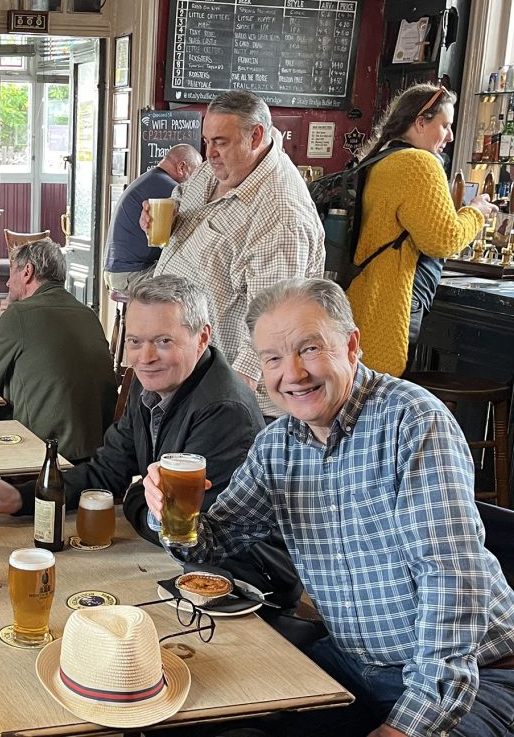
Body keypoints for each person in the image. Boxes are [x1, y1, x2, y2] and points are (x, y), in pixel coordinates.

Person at [141, 278, 514, 737]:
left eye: (310, 349)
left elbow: (448, 583)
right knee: (205, 715)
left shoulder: (412, 421)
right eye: (273, 358)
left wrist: (408, 725)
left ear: (351, 345)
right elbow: (214, 544)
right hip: (354, 664)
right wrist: (172, 515)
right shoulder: (277, 446)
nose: (292, 374)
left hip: (473, 675)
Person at [0, 274, 264, 547]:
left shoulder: (224, 411)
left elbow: (183, 531)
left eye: (163, 341)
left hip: (238, 585)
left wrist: (135, 495)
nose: (145, 358)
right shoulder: (149, 383)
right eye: (135, 342)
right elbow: (107, 471)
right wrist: (20, 498)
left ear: (202, 338)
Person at [143, 90, 324, 417]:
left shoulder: (280, 215)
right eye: (206, 141)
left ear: (255, 136)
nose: (209, 153)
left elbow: (272, 321)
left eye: (220, 142)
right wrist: (163, 220)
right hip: (189, 375)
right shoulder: (219, 166)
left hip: (230, 394)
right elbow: (183, 198)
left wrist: (231, 404)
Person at [347, 83, 498, 376]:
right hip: (390, 302)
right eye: (445, 126)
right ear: (420, 122)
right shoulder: (418, 163)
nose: (450, 136)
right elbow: (444, 239)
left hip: (361, 297)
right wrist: (476, 212)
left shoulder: (381, 158)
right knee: (386, 400)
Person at [0, 239, 116, 463]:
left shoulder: (18, 315)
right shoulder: (88, 314)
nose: (7, 284)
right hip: (97, 453)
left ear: (27, 271)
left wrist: (5, 317)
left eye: (12, 272)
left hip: (44, 453)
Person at [103, 144, 202, 293]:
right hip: (132, 274)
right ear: (182, 167)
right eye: (196, 174)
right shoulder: (169, 187)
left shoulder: (152, 179)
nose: (196, 181)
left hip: (116, 271)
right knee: (194, 281)